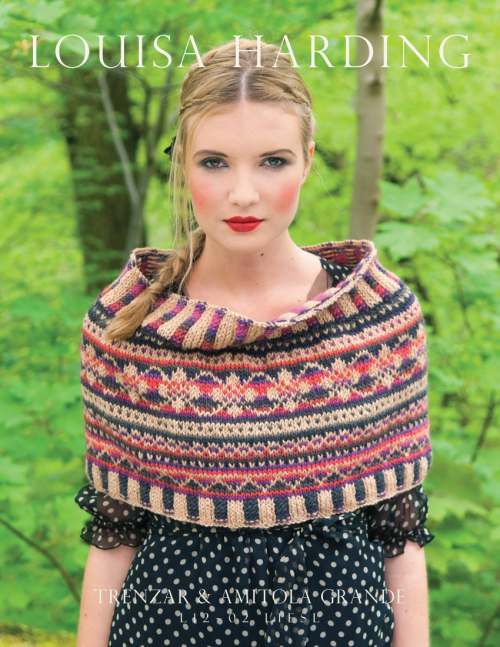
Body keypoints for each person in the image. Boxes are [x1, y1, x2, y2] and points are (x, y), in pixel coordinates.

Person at [75, 38, 435, 647]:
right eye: (214, 162)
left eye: (272, 161)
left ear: (307, 161)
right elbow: (114, 536)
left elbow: (399, 534)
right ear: (181, 164)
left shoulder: (378, 320)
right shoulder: (127, 329)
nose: (243, 194)